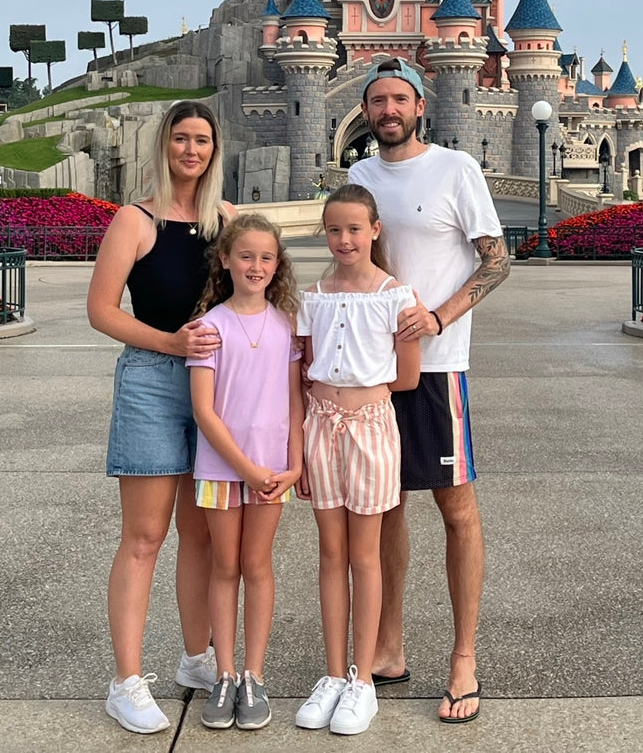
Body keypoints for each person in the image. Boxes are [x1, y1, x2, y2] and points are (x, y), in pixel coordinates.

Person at [348, 58, 510, 725]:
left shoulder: (455, 170)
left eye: (398, 98)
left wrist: (440, 315)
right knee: (385, 507)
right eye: (377, 100)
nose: (388, 109)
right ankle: (388, 645)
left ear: (419, 105)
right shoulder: (358, 177)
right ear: (367, 111)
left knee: (455, 506)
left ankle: (464, 658)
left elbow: (497, 259)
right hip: (373, 369)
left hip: (438, 365)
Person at [87, 100, 231, 735]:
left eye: (202, 140)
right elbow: (102, 310)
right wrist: (170, 343)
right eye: (181, 139)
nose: (191, 151)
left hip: (215, 389)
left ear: (214, 150)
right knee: (145, 537)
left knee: (201, 534)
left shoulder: (227, 222)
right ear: (164, 146)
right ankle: (126, 680)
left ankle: (197, 658)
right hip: (152, 380)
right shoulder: (136, 220)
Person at [293, 184, 421, 736]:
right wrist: (298, 440)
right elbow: (300, 375)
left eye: (354, 228)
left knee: (365, 555)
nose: (344, 239)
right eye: (334, 229)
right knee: (330, 552)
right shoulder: (311, 296)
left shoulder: (397, 296)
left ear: (374, 230)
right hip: (320, 425)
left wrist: (363, 395)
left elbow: (408, 376)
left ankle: (363, 680)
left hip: (370, 428)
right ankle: (332, 675)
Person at [189, 213, 303, 732]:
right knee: (224, 567)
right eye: (246, 256)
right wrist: (245, 467)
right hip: (222, 468)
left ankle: (254, 674)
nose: (256, 266)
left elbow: (295, 401)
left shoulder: (285, 326)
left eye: (266, 257)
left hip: (273, 471)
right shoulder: (210, 327)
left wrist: (293, 462)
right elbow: (204, 412)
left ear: (277, 265)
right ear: (226, 260)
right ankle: (225, 673)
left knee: (257, 567)